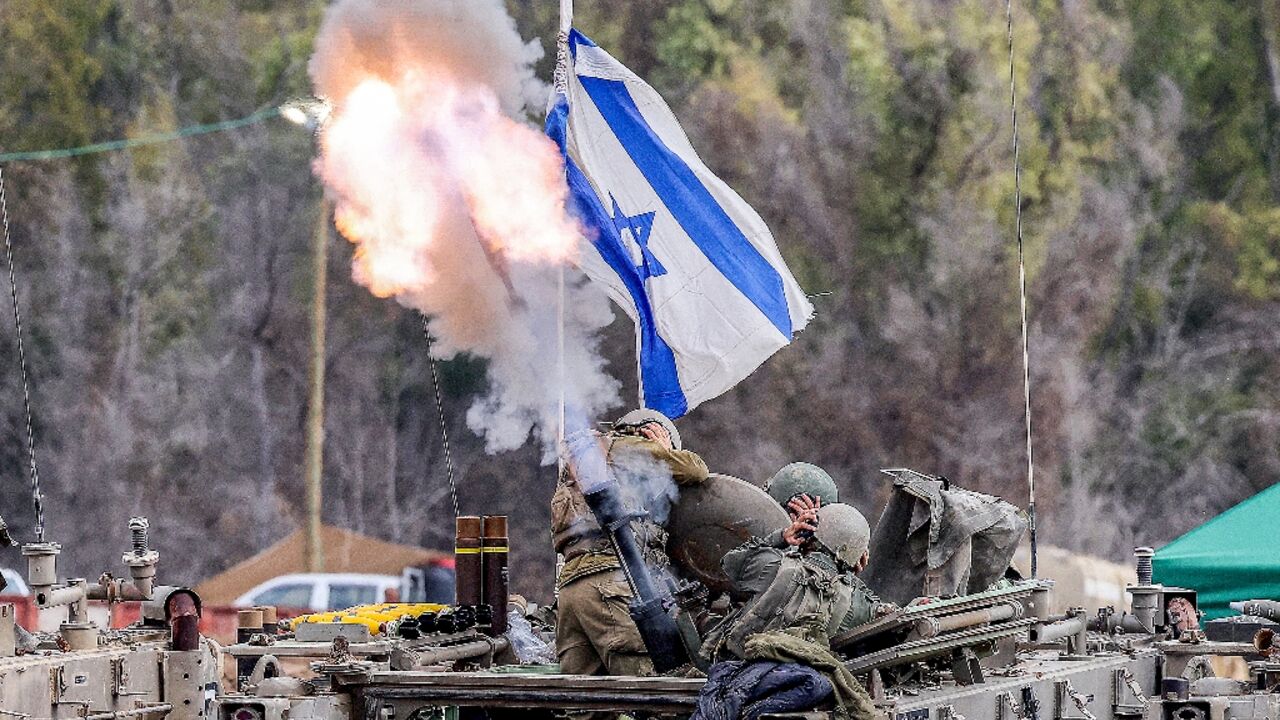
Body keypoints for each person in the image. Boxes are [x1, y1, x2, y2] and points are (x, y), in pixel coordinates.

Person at [551, 408, 709, 677]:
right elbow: (696, 469)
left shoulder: (578, 465)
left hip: (571, 590)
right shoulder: (625, 447)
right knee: (646, 688)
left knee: (582, 705)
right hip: (611, 583)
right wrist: (662, 449)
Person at [701, 501, 874, 661]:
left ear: (809, 532)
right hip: (795, 684)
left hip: (737, 669)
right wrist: (850, 575)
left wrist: (782, 537)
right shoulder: (853, 603)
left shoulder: (772, 565)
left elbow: (729, 563)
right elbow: (879, 611)